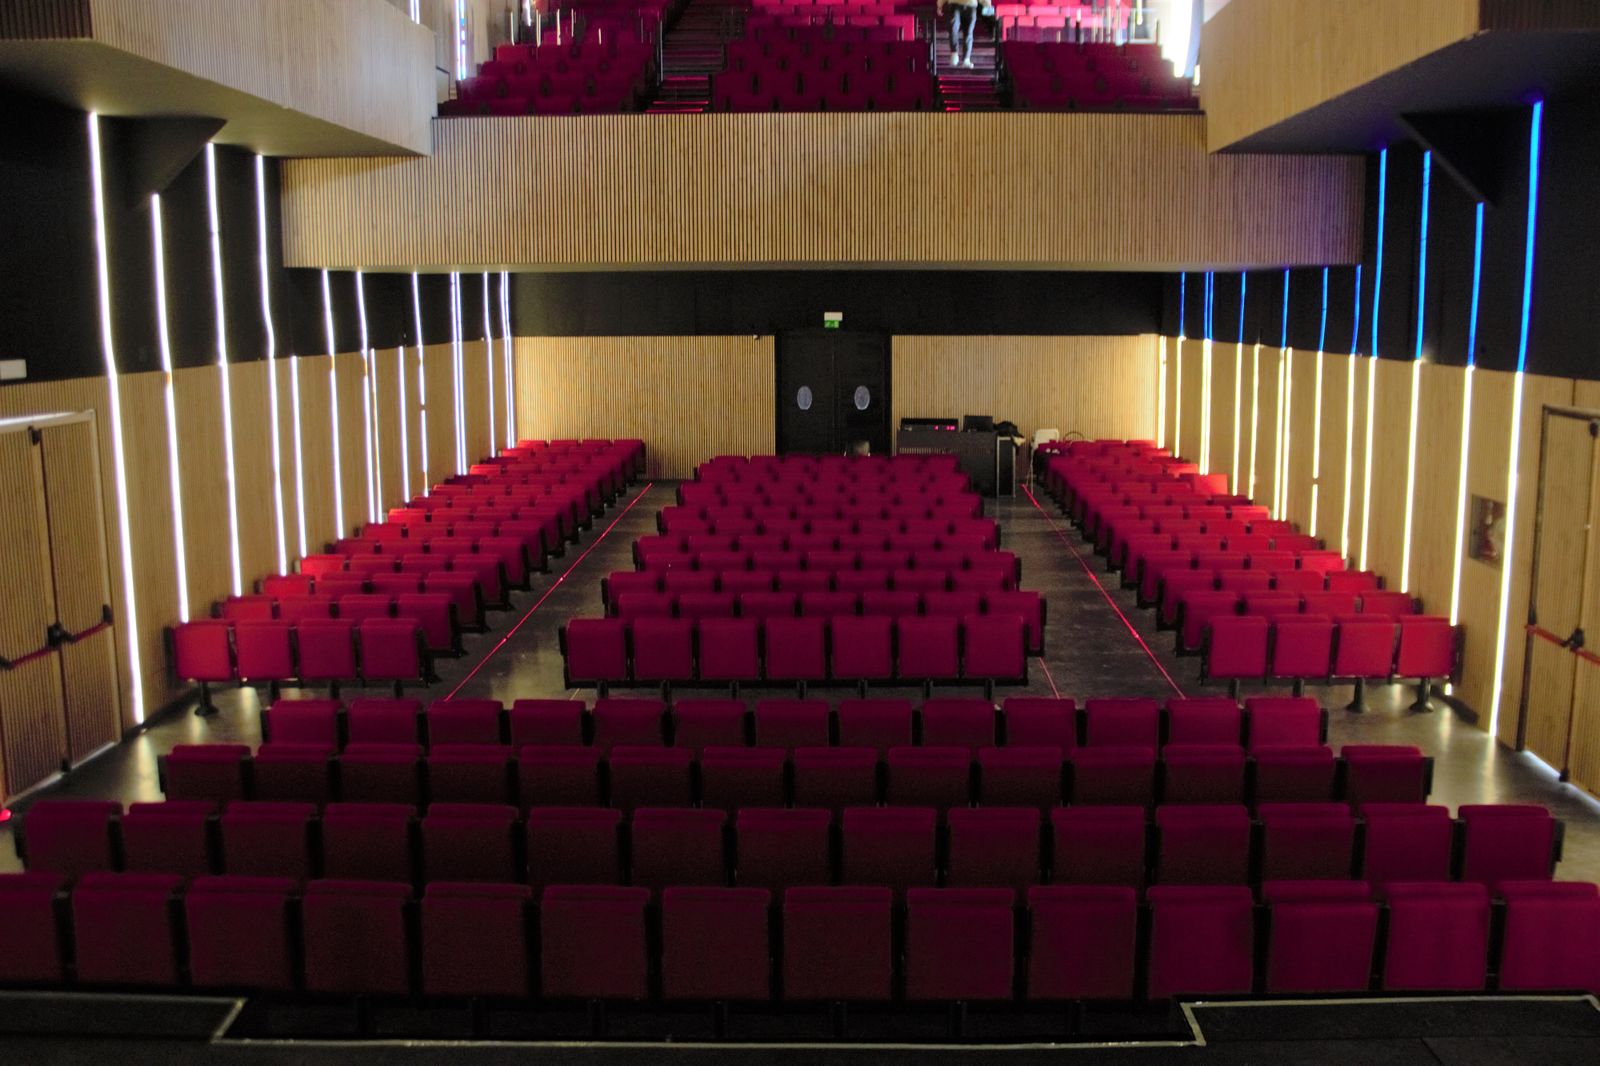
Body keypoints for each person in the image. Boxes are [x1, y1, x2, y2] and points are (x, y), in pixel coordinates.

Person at [937, 0, 980, 69]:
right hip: (954, 4)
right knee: (953, 29)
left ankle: (966, 59)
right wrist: (940, 5)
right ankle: (954, 53)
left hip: (971, 5)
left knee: (968, 32)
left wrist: (987, 4)